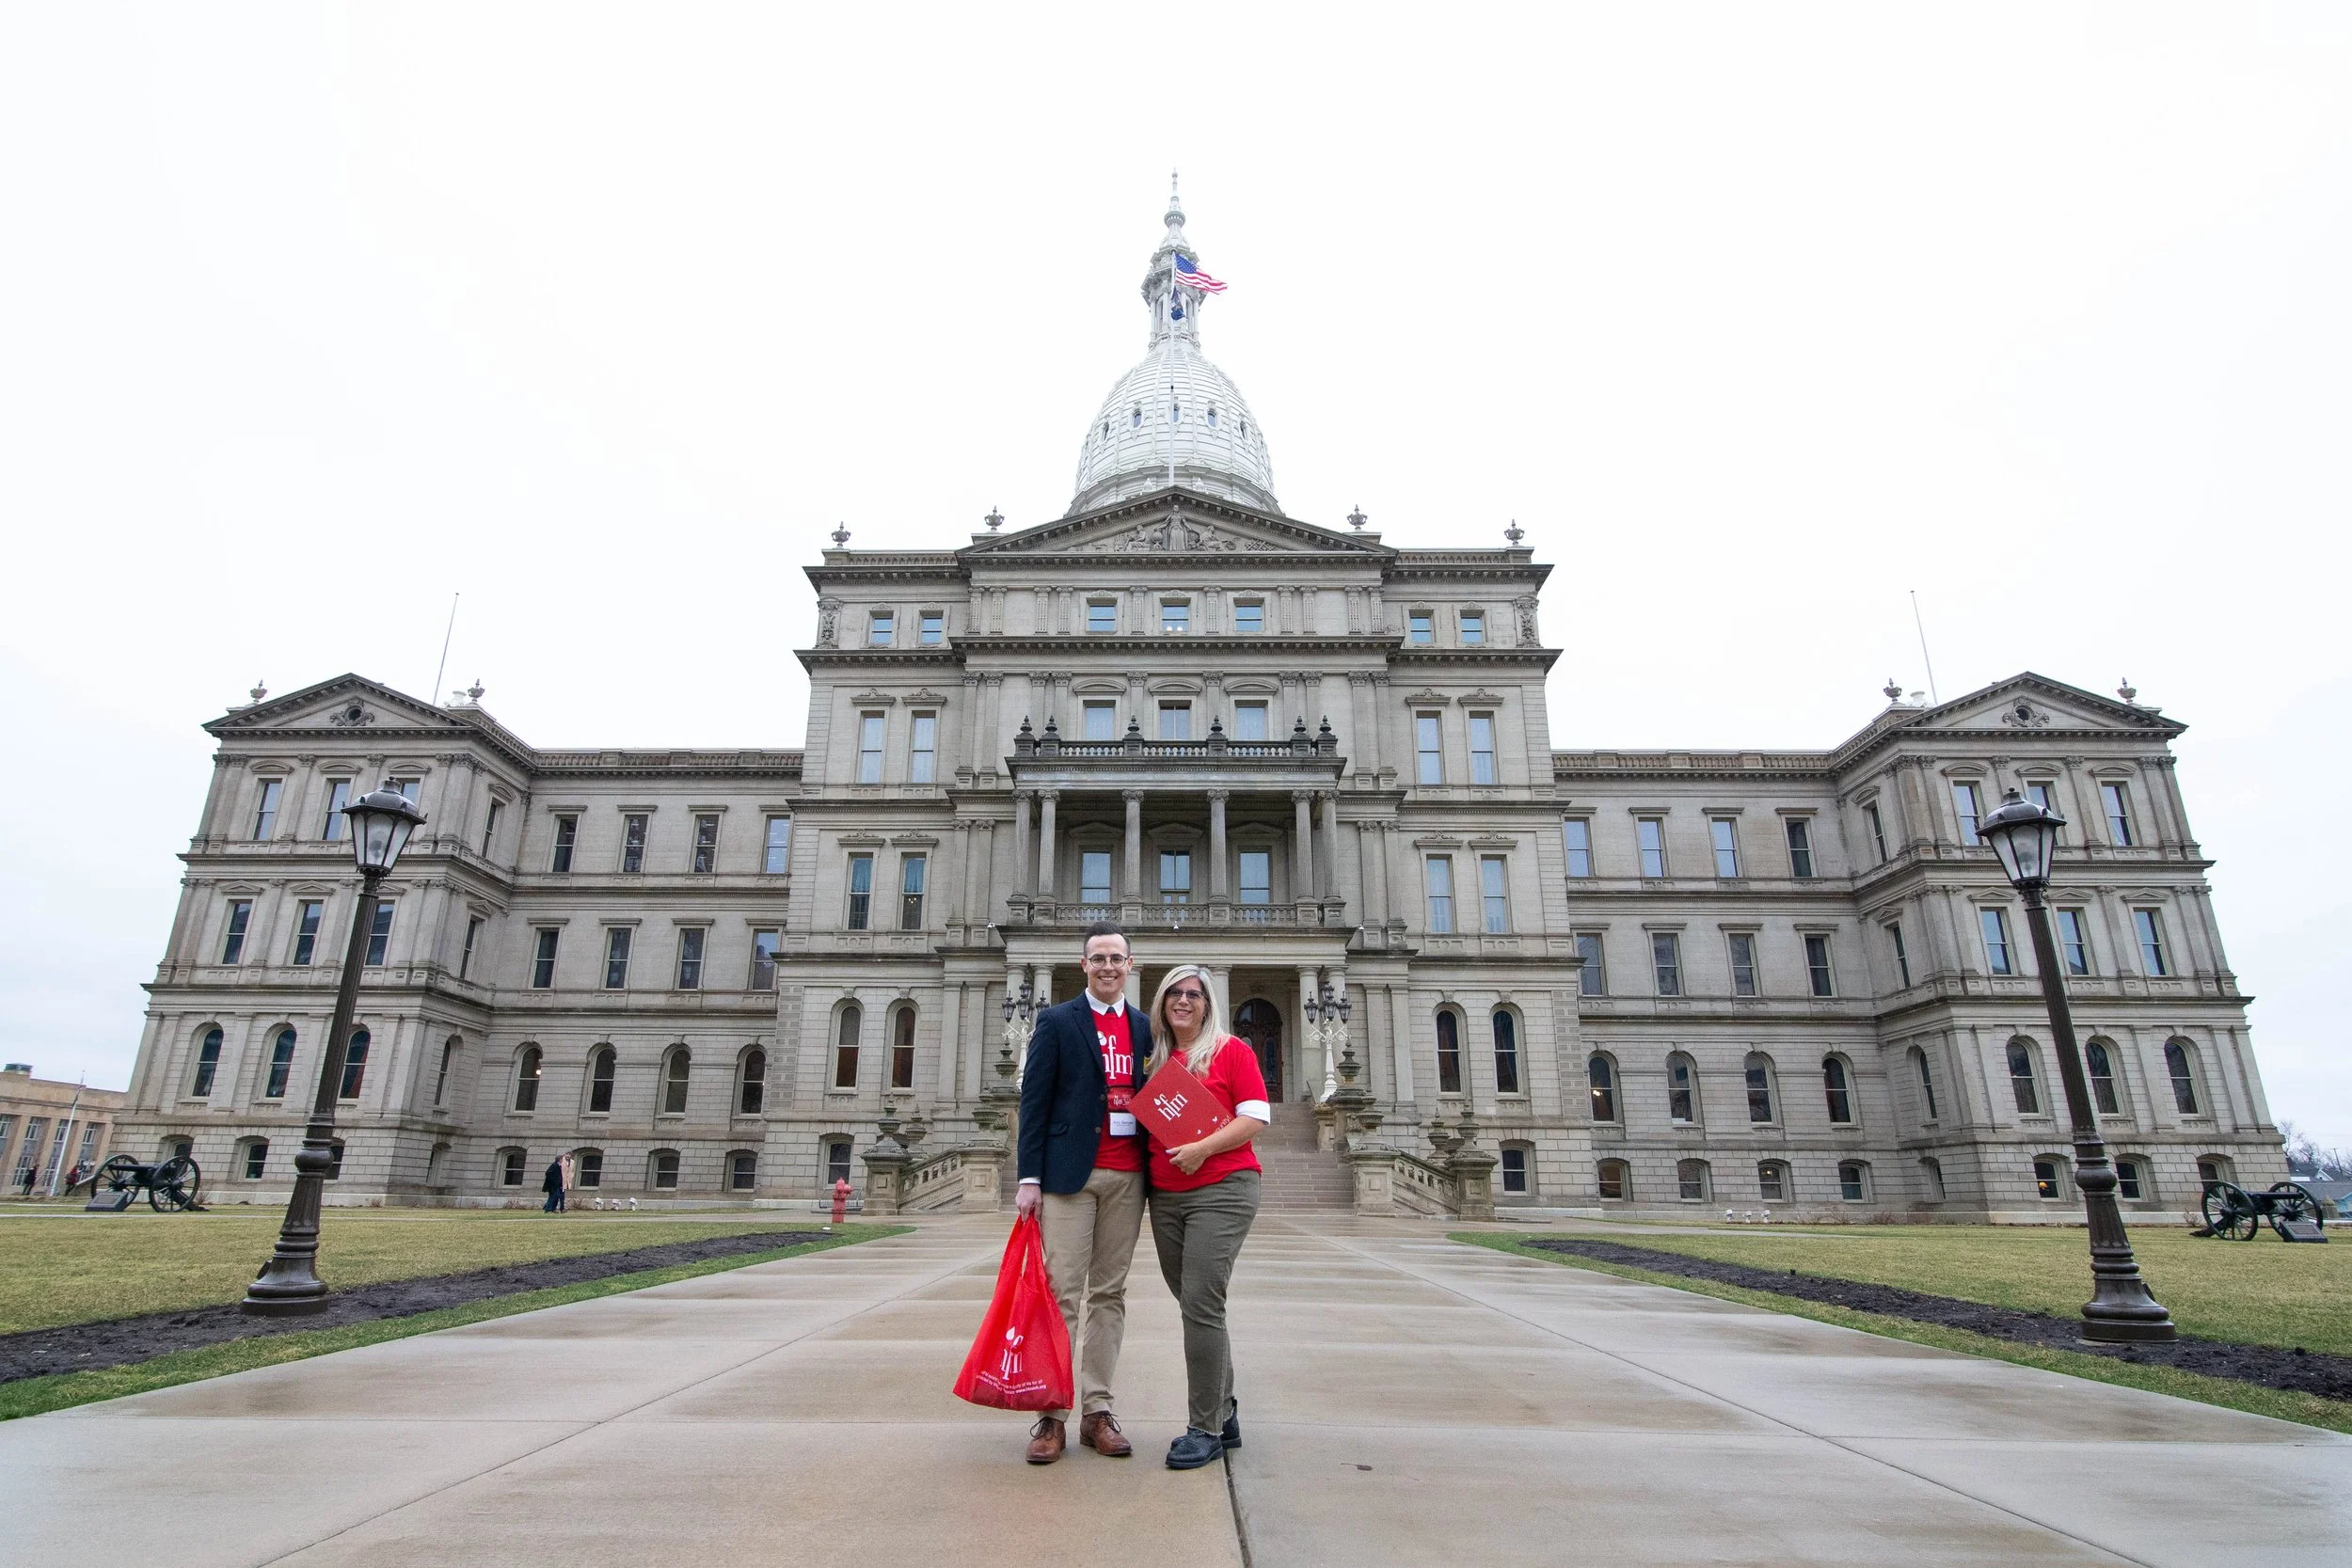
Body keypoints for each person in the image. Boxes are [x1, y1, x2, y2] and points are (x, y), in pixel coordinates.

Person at [1014, 920, 1154, 1465]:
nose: (1108, 967)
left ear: (1129, 965)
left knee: (1110, 1295)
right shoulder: (1055, 1021)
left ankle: (1097, 1411)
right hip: (1068, 1177)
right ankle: (1051, 1413)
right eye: (1098, 959)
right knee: (1061, 1294)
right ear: (1084, 966)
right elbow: (1034, 1103)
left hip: (1128, 1177)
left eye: (1116, 958)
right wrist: (1029, 1178)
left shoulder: (1144, 1028)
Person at [1141, 963, 1268, 1470]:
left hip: (1224, 1188)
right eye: (1174, 993)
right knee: (1198, 1305)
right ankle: (1227, 1409)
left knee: (1199, 1303)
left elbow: (1256, 1116)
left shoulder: (1231, 1051)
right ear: (1162, 1003)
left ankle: (1205, 1428)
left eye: (1193, 994)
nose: (1183, 1001)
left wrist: (1201, 1149)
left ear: (1208, 1003)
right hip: (1166, 1196)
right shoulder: (1152, 1058)